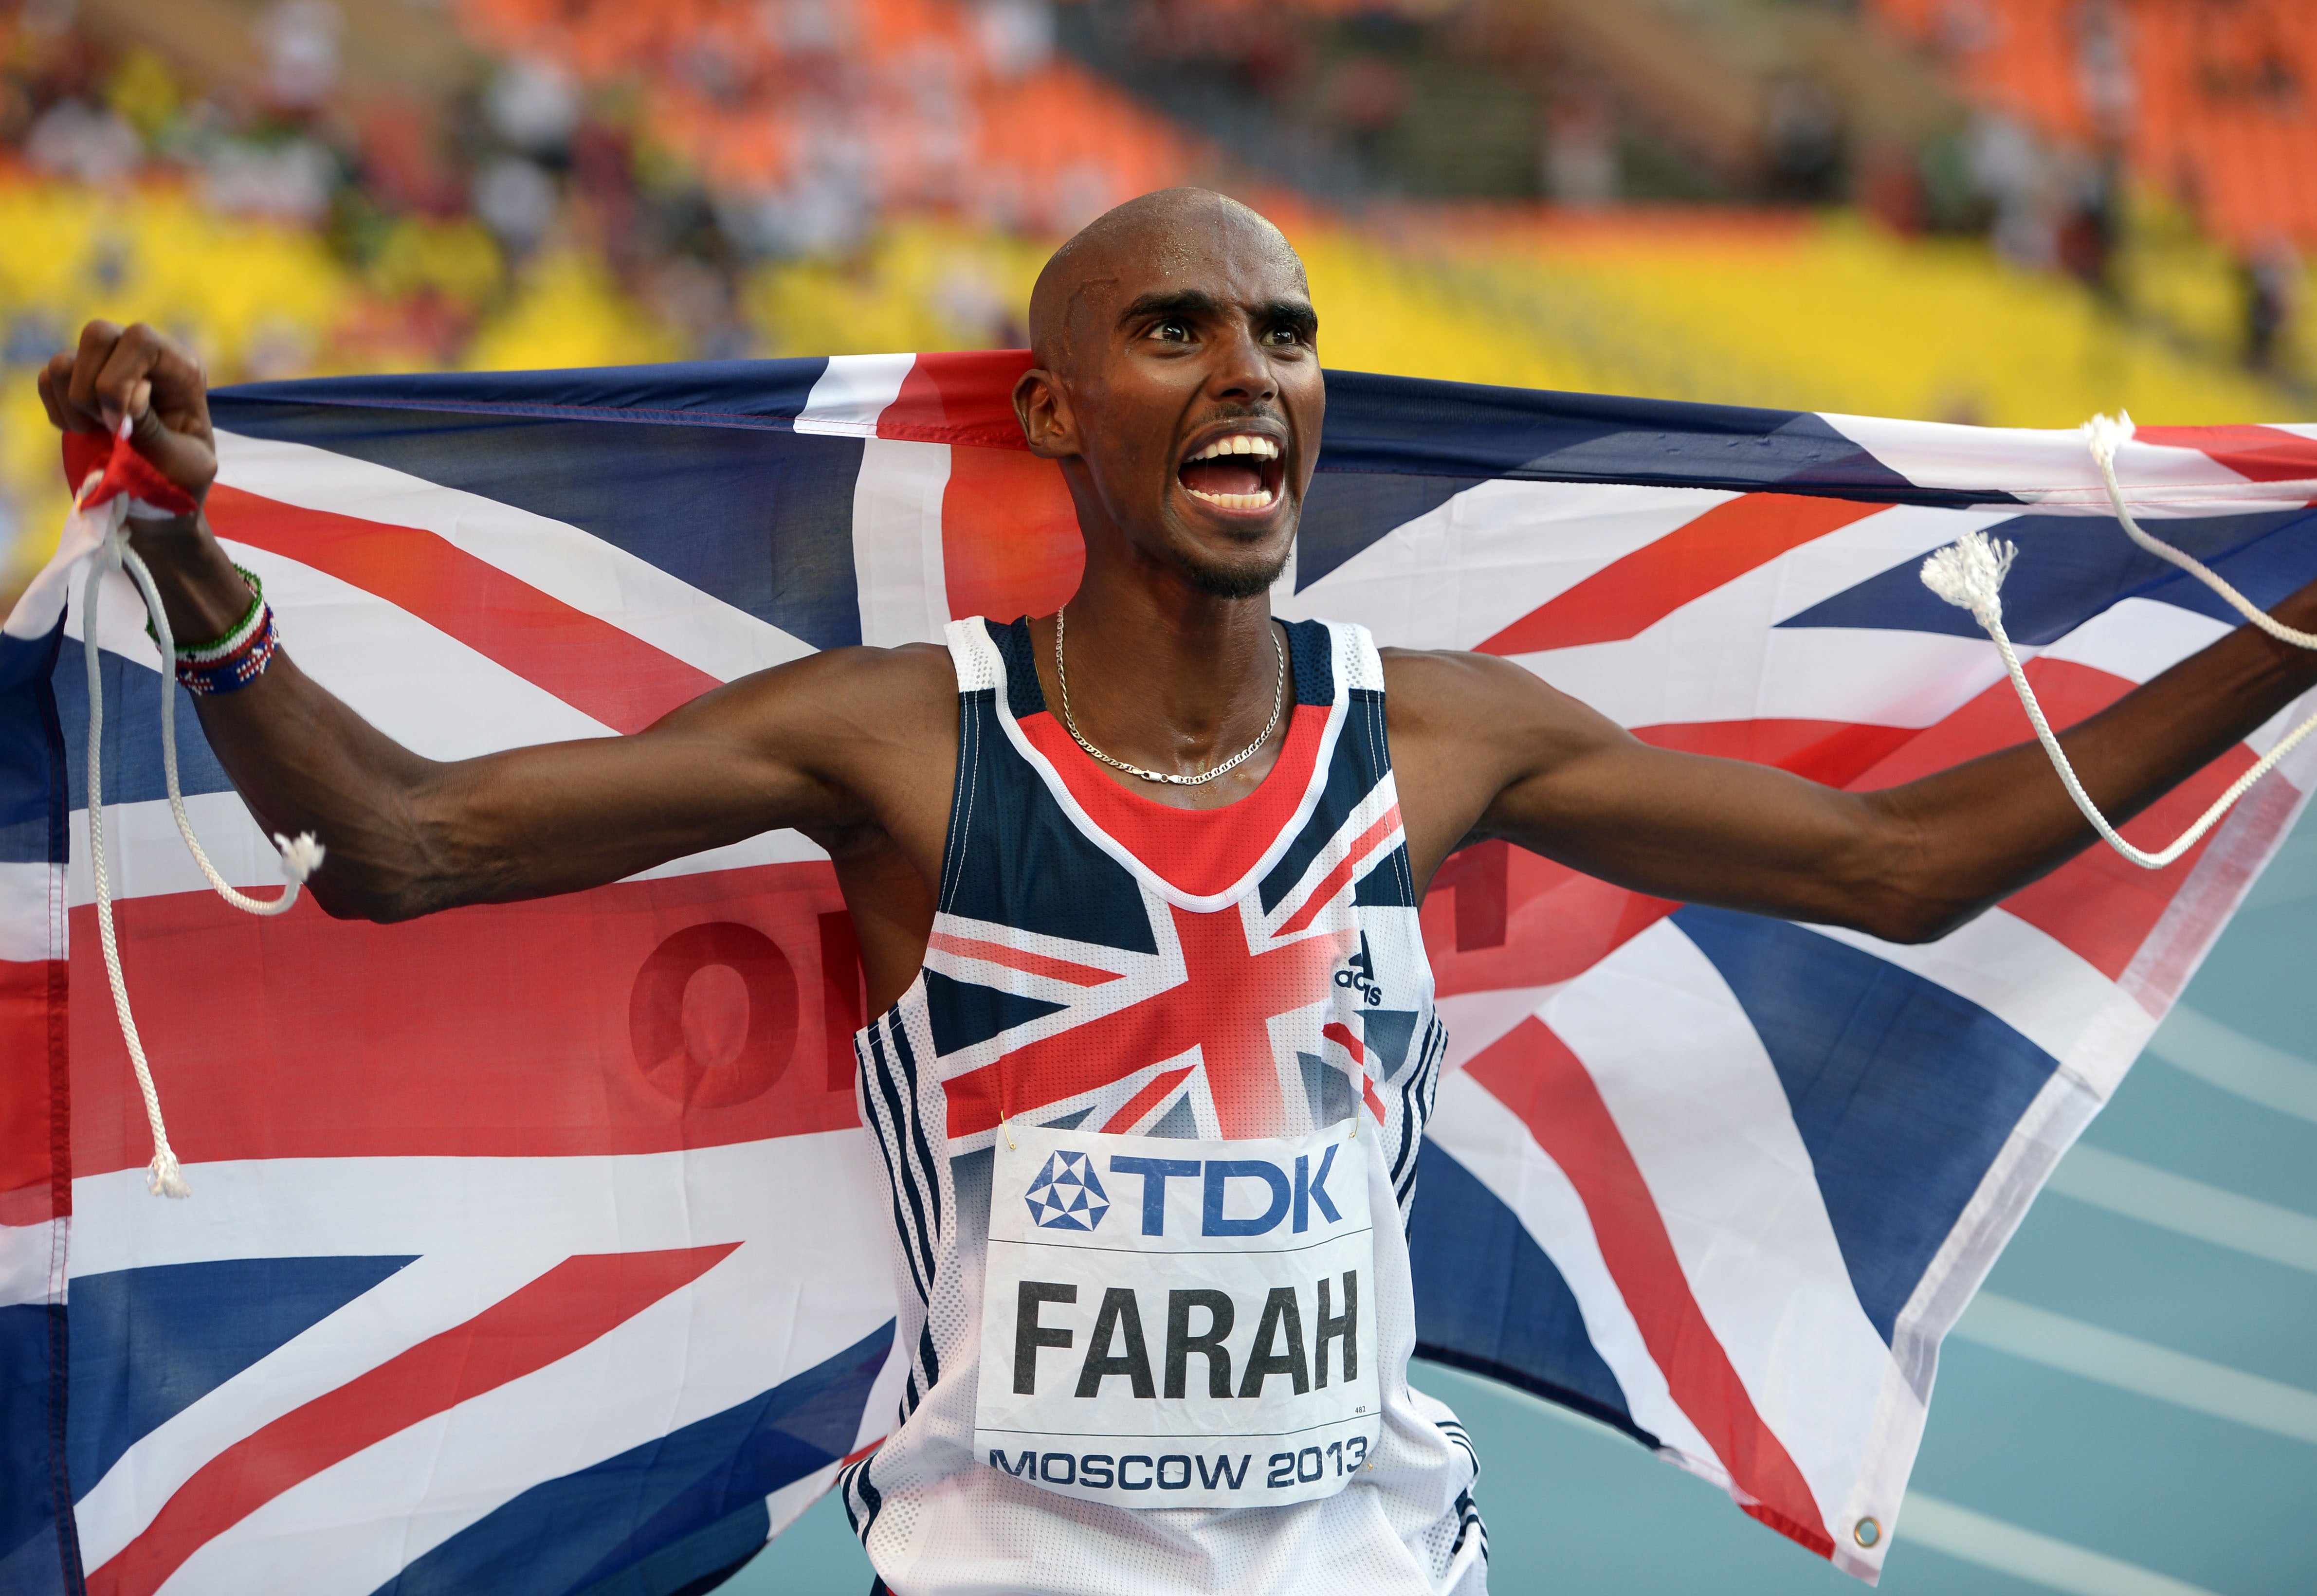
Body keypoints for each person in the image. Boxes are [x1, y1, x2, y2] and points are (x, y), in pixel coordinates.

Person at [38, 188, 2317, 1596]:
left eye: (1288, 333)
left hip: (1379, 1563)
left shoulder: (1438, 732)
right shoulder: (898, 743)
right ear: (1055, 415)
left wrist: (2290, 628)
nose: (1251, 372)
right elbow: (406, 847)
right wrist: (206, 578)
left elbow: (1905, 864)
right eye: (1177, 332)